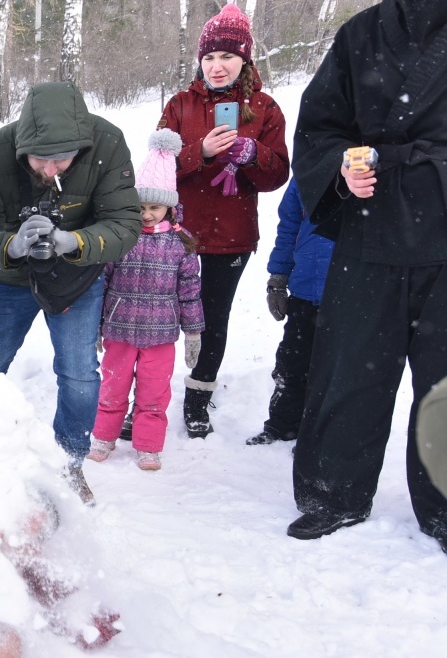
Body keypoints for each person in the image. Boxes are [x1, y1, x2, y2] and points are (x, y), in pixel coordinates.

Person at [287, 0, 447, 545]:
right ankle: (333, 493)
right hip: (371, 224)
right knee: (350, 369)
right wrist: (340, 164)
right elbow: (319, 126)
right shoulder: (362, 32)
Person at [0, 81, 140, 503]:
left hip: (75, 276)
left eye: (63, 159)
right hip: (8, 279)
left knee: (78, 373)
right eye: (42, 159)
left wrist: (74, 242)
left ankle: (67, 462)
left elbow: (125, 223)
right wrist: (13, 245)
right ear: (23, 146)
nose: (53, 169)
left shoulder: (107, 143)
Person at [158, 0, 289, 438]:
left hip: (232, 238)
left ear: (245, 59)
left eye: (227, 56)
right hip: (175, 234)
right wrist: (202, 153)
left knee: (213, 320)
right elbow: (157, 169)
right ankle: (149, 399)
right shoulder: (180, 105)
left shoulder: (265, 108)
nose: (217, 66)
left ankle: (197, 398)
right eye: (209, 57)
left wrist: (254, 154)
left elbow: (277, 176)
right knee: (157, 316)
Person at [85, 130, 204, 471]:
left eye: (154, 206)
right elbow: (102, 281)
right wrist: (95, 325)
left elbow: (190, 291)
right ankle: (103, 438)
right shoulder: (121, 237)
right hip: (119, 329)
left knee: (154, 395)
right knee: (112, 388)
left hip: (161, 334)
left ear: (170, 205)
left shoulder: (181, 244)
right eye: (140, 207)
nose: (147, 213)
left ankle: (148, 446)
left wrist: (193, 332)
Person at [244, 179, 333, 446]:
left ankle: (320, 438)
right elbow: (288, 230)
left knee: (335, 372)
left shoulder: (366, 173)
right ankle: (282, 426)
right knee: (291, 364)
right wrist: (278, 279)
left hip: (350, 297)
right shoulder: (306, 177)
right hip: (305, 292)